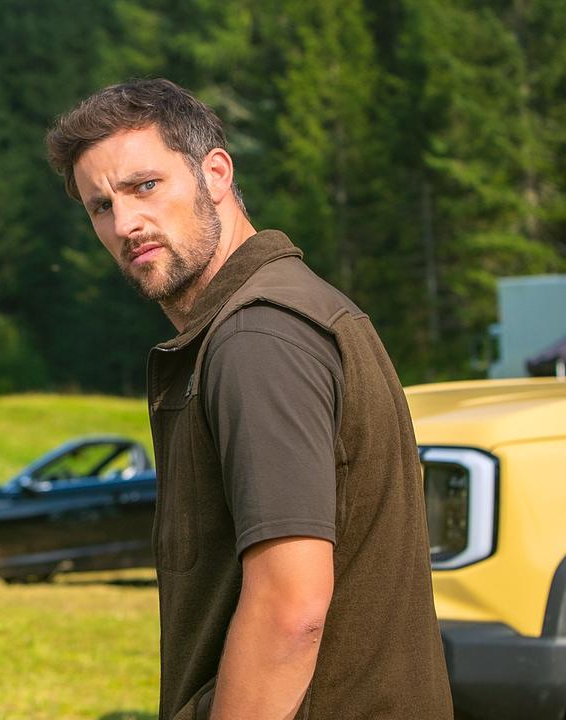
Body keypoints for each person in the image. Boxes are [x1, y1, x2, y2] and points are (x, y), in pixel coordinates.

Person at [45, 78, 453, 720]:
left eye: (144, 186)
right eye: (100, 206)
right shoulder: (291, 311)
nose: (125, 224)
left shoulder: (257, 337)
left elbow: (290, 609)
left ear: (214, 173)